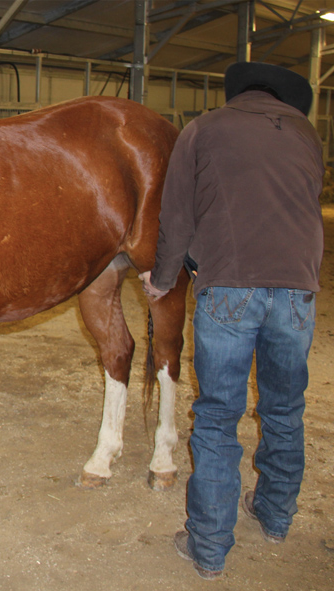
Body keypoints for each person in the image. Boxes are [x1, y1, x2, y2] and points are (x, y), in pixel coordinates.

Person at [139, 61, 324, 580]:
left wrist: (164, 276)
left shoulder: (204, 129)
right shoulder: (307, 134)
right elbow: (305, 204)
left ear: (236, 94)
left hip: (231, 286)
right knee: (285, 408)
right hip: (297, 290)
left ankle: (210, 546)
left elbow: (176, 215)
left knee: (219, 416)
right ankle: (274, 515)